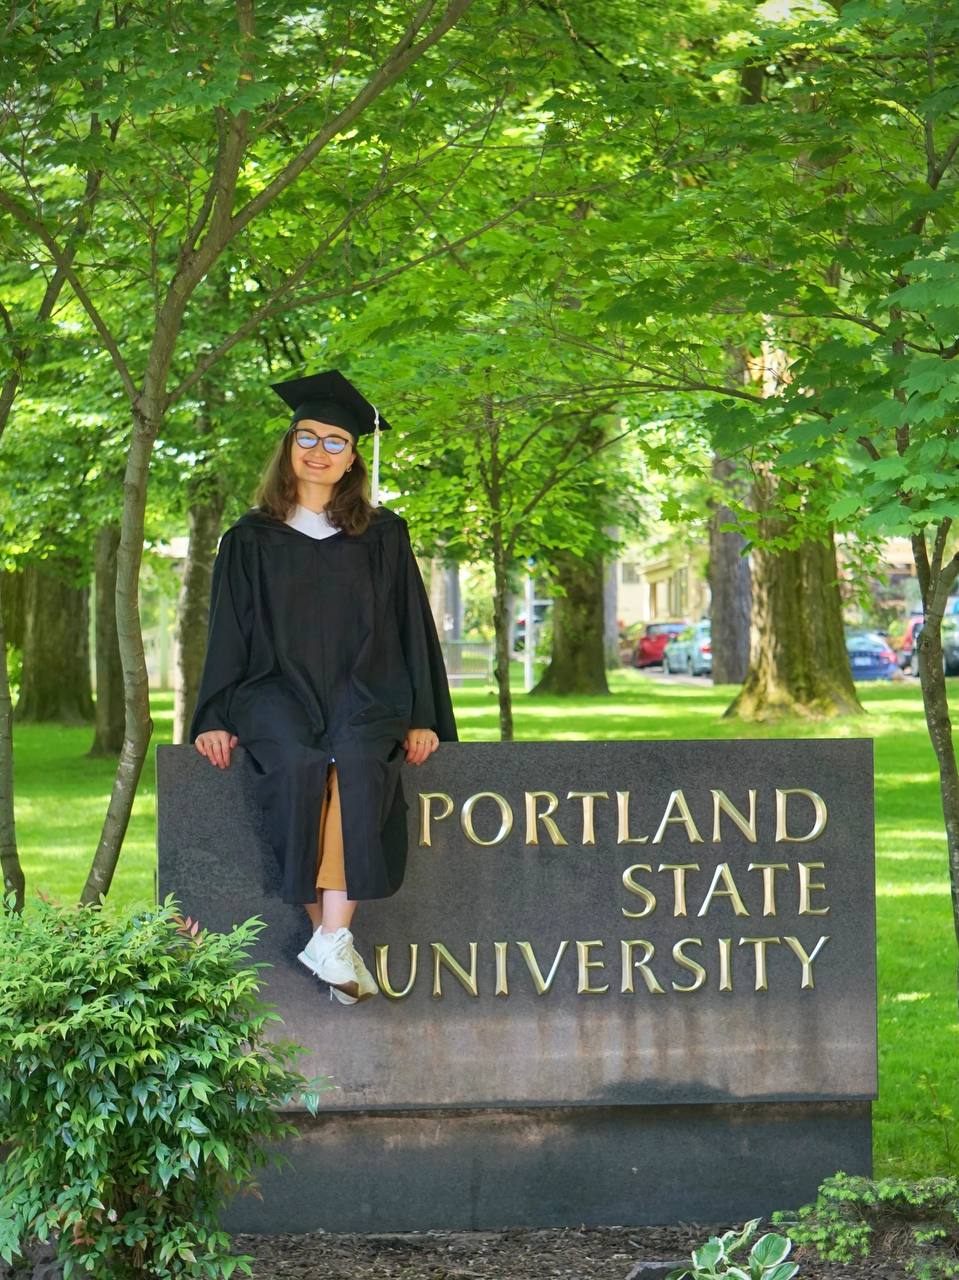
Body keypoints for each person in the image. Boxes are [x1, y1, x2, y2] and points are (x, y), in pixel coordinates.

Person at [188, 369, 458, 1006]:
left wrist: (423, 715)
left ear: (353, 457)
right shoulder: (248, 539)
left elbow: (411, 627)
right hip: (273, 690)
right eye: (307, 436)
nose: (319, 450)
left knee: (360, 762)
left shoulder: (383, 535)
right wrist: (214, 715)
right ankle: (334, 943)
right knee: (302, 762)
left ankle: (329, 942)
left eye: (336, 441)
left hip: (366, 691)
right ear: (288, 446)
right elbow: (228, 631)